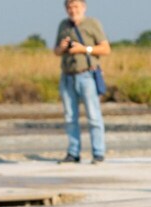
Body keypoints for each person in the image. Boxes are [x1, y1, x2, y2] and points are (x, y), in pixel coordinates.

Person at [55, 0, 111, 164]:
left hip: (87, 74)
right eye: (70, 7)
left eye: (76, 6)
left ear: (83, 7)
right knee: (70, 117)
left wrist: (84, 49)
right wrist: (63, 47)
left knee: (94, 116)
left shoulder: (92, 23)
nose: (73, 10)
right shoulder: (63, 25)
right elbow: (56, 51)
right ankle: (73, 153)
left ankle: (98, 153)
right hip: (67, 75)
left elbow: (106, 49)